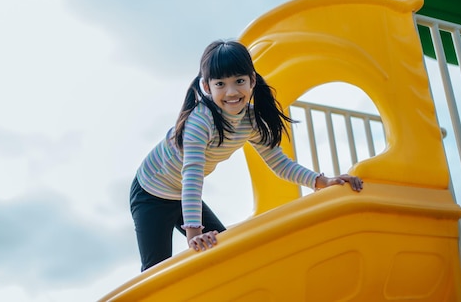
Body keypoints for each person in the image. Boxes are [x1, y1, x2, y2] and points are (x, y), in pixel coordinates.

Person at [129, 40, 363, 272]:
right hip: (151, 193)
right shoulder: (201, 121)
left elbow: (279, 163)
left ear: (252, 80)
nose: (231, 92)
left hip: (182, 195)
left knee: (225, 250)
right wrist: (194, 234)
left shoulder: (251, 120)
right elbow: (192, 175)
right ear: (207, 87)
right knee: (155, 269)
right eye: (221, 83)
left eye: (239, 81)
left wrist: (323, 182)